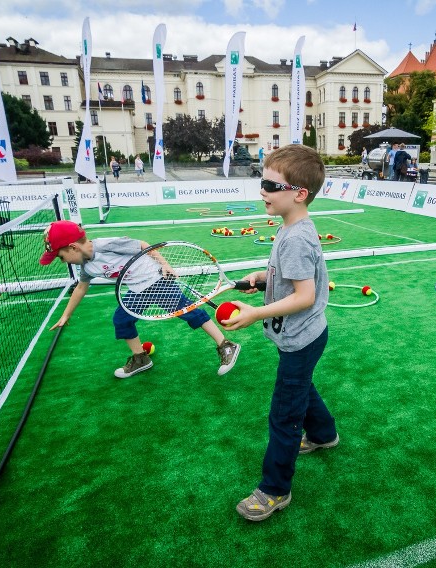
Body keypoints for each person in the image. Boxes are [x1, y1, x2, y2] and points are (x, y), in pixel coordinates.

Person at [223, 145, 337, 522]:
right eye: (262, 182)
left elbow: (304, 297)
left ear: (299, 194)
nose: (262, 192)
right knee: (300, 386)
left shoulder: (296, 238)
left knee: (284, 414)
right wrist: (260, 278)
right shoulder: (292, 229)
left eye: (270, 185)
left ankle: (275, 489)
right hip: (305, 335)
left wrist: (256, 313)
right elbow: (291, 280)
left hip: (301, 336)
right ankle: (323, 434)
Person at [39, 220, 242, 378]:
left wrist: (165, 264)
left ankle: (225, 344)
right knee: (122, 319)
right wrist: (66, 315)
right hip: (137, 290)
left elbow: (143, 245)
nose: (63, 261)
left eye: (61, 256)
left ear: (73, 247)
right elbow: (81, 288)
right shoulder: (86, 267)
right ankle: (141, 359)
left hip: (155, 280)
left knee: (189, 311)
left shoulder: (106, 245)